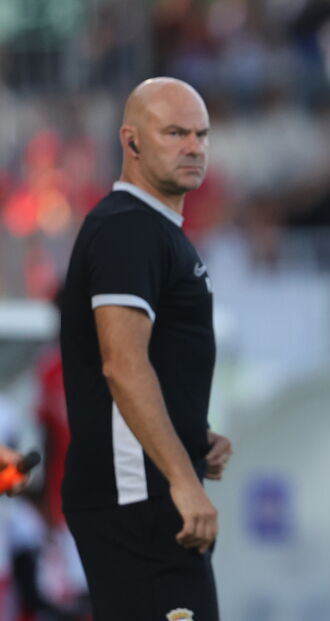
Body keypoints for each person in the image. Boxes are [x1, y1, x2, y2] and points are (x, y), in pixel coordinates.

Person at [59, 77, 232, 621]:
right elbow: (122, 363)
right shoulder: (128, 228)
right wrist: (183, 481)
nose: (194, 147)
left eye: (201, 134)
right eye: (175, 132)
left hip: (142, 491)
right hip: (138, 498)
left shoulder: (152, 230)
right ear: (130, 141)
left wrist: (187, 435)